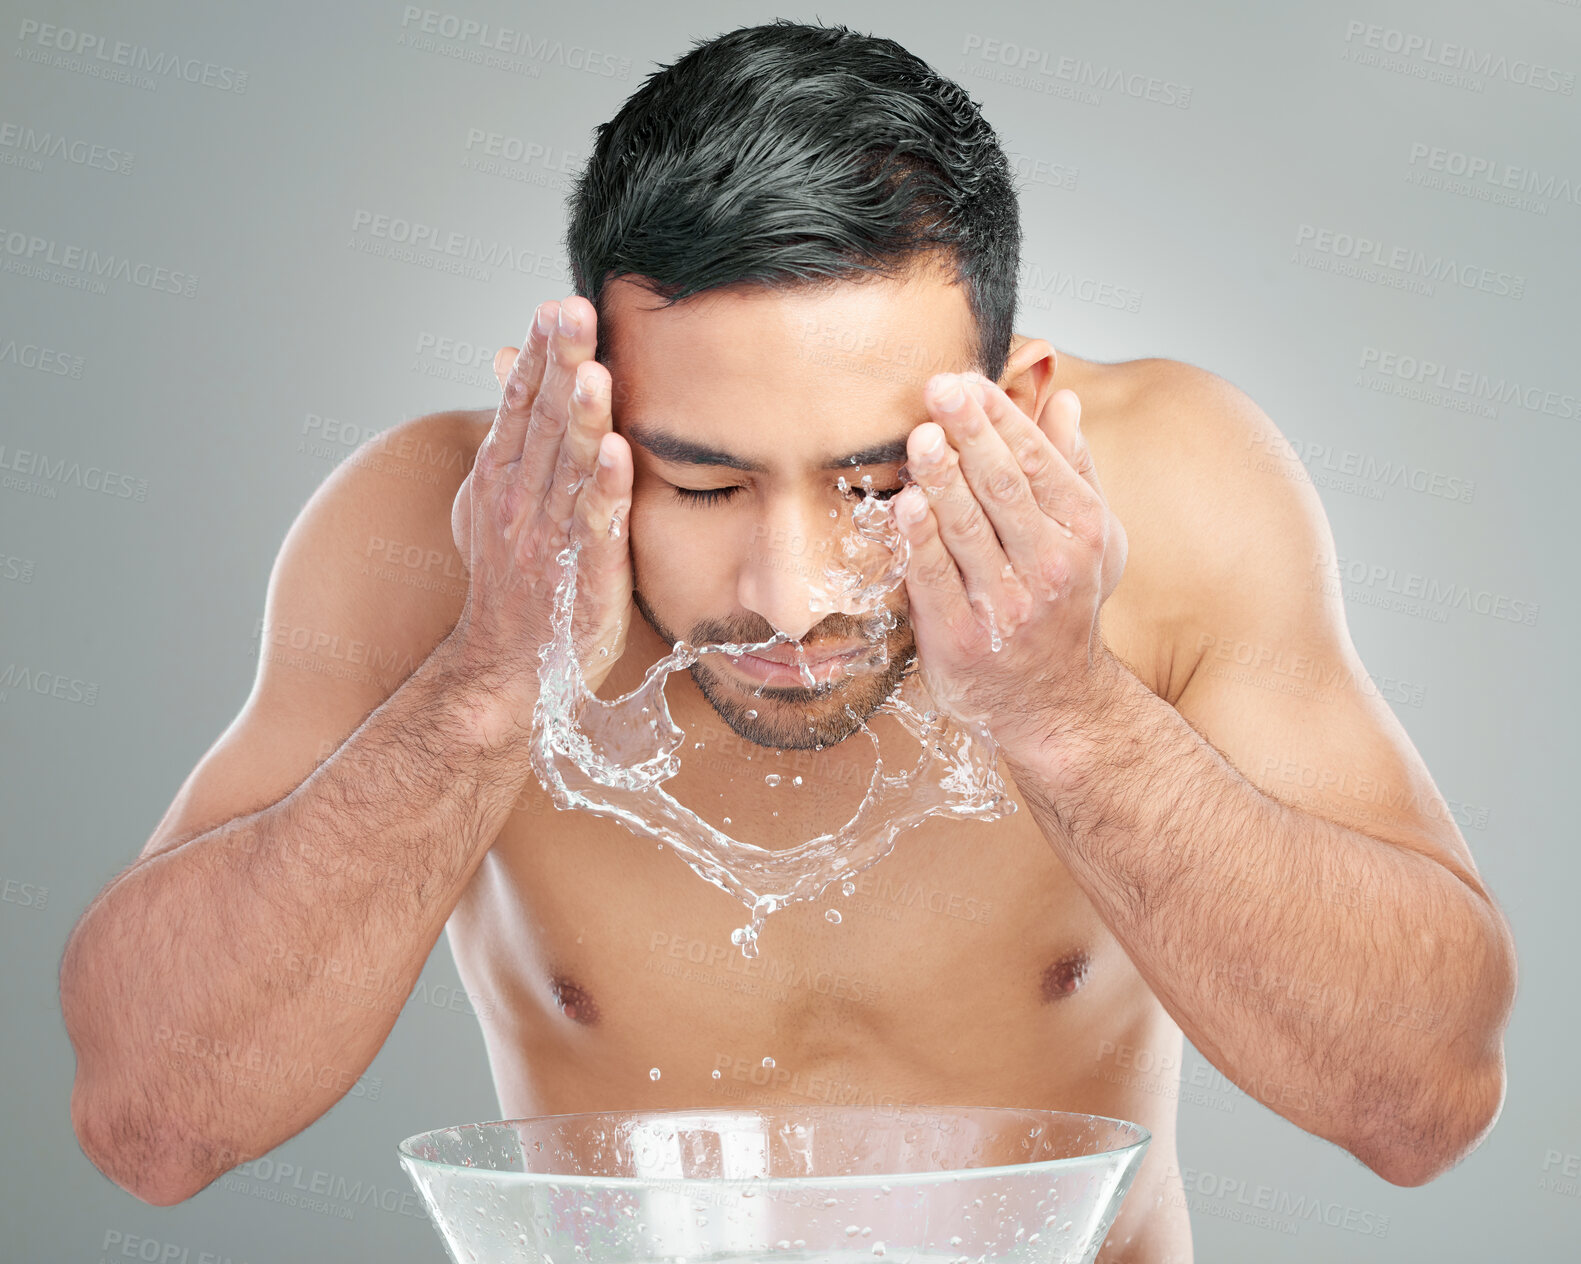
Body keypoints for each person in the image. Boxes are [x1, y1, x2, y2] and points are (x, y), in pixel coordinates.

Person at [60, 19, 1514, 1263]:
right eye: (698, 483)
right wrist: (485, 683)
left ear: (1017, 401)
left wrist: (1068, 712)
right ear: (572, 412)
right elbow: (153, 1124)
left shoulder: (1177, 494)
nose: (792, 587)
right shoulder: (440, 534)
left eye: (877, 482)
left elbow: (1419, 1103)